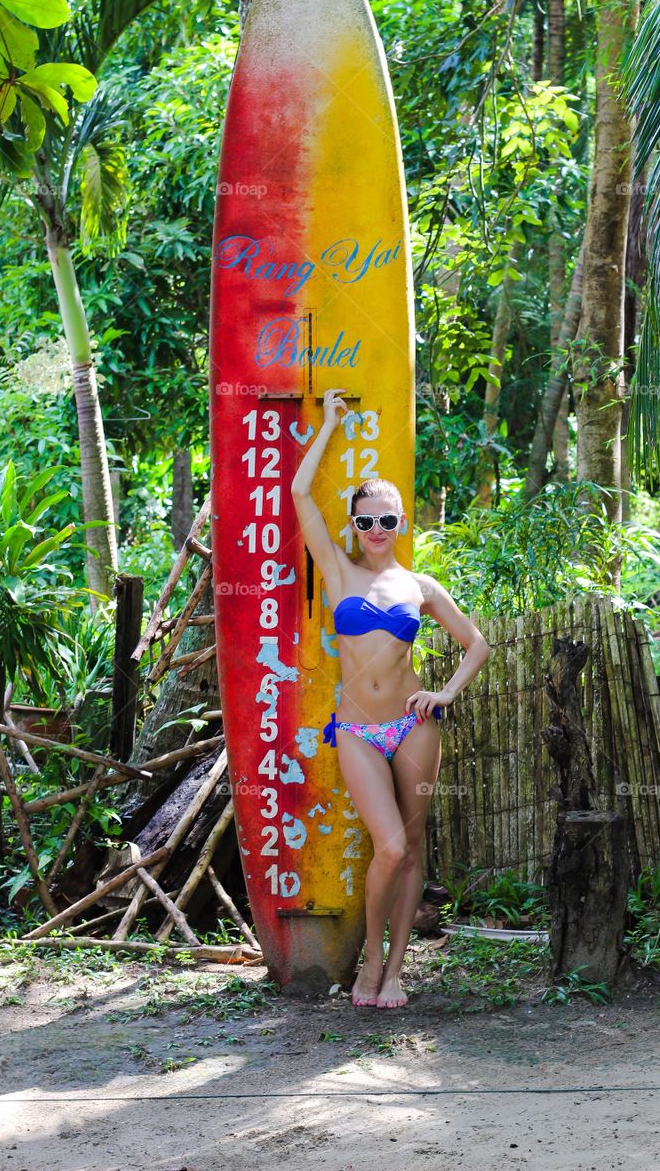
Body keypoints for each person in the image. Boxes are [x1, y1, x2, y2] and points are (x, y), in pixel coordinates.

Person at [290, 387, 490, 1008]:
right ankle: (369, 960)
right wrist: (329, 424)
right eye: (366, 519)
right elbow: (300, 494)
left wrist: (446, 693)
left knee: (412, 850)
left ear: (402, 523)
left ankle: (397, 970)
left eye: (388, 519)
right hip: (356, 730)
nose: (377, 529)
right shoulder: (338, 570)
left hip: (414, 726)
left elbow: (477, 643)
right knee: (392, 846)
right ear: (354, 524)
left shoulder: (419, 584)